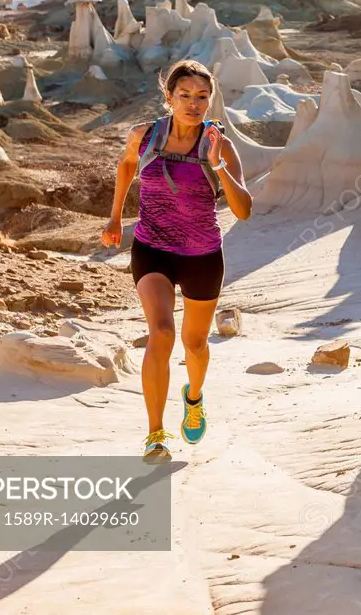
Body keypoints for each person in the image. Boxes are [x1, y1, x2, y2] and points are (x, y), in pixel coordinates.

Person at [101, 59, 252, 462]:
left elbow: (243, 210)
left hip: (202, 254)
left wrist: (218, 163)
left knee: (196, 343)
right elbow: (127, 164)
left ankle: (194, 397)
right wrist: (116, 216)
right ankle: (155, 434)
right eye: (184, 95)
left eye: (202, 96)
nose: (193, 103)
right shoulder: (145, 135)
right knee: (162, 332)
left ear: (211, 101)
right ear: (168, 97)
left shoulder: (219, 144)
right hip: (152, 248)